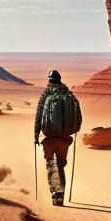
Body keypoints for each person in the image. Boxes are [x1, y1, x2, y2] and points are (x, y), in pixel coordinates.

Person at [34, 69, 81, 206]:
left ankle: (55, 195)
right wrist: (74, 130)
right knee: (60, 166)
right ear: (60, 79)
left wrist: (36, 136)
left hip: (48, 137)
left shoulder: (46, 94)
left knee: (51, 166)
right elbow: (78, 114)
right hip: (64, 138)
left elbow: (38, 116)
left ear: (49, 80)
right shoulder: (69, 95)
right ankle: (61, 196)